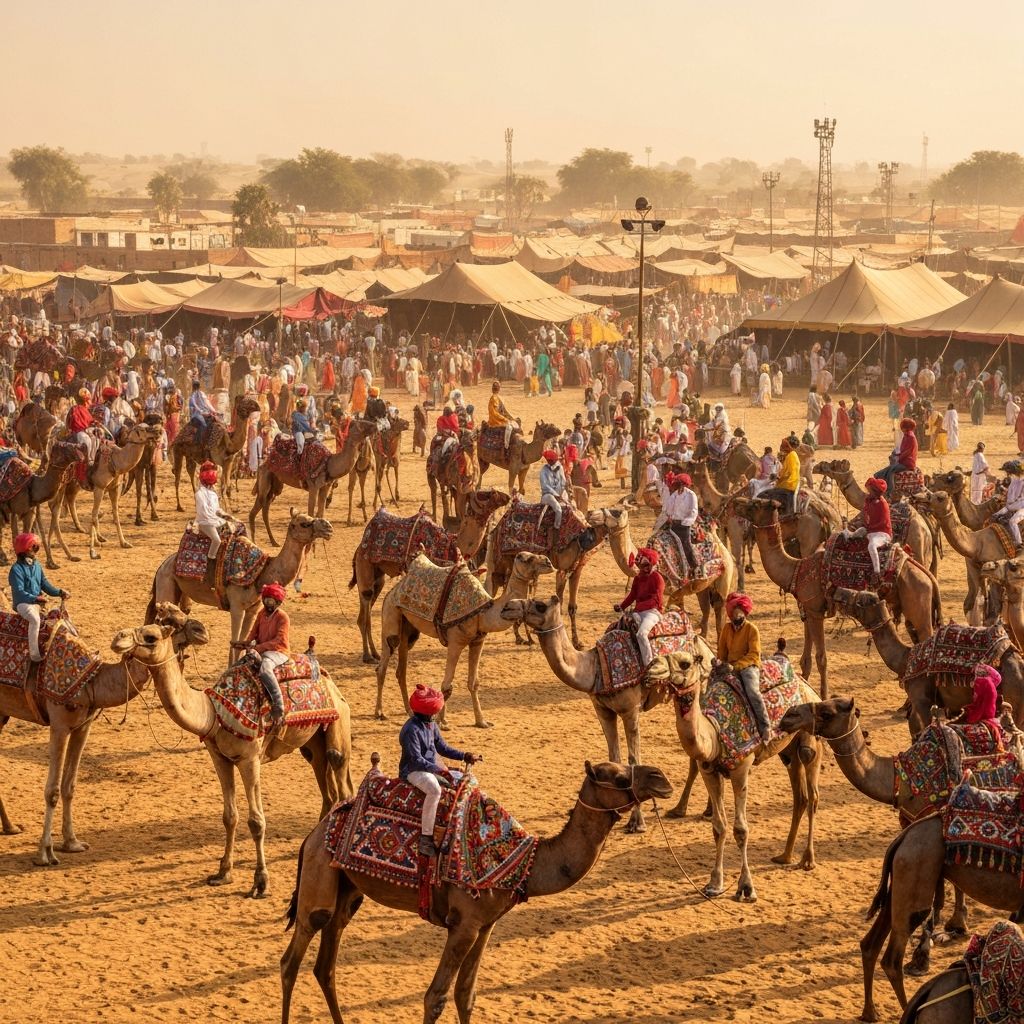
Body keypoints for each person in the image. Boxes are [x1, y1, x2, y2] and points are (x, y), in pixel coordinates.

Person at [399, 684, 478, 857]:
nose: (434, 715)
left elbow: (442, 747)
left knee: (464, 780)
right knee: (434, 790)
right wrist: (439, 771)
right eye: (433, 712)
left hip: (430, 767)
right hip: (413, 771)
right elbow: (416, 760)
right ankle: (426, 838)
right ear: (426, 712)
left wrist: (464, 755)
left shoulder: (431, 725)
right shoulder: (411, 730)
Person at [717, 593, 771, 744]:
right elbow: (722, 652)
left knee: (752, 692)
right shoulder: (726, 629)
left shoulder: (752, 629)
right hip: (729, 666)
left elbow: (754, 653)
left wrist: (736, 666)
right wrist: (719, 663)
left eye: (740, 610)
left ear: (745, 611)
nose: (737, 614)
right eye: (734, 611)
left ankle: (765, 727)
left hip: (749, 666)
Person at [10, 532, 68, 663]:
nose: (36, 551)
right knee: (35, 620)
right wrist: (35, 598)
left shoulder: (37, 566)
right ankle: (35, 656)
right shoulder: (16, 570)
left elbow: (45, 585)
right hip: (23, 603)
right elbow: (19, 592)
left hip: (37, 602)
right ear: (25, 549)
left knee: (58, 618)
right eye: (34, 547)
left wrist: (59, 592)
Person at [242, 582, 291, 727]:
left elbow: (279, 640)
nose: (268, 603)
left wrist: (258, 648)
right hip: (261, 650)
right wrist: (246, 643)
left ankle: (278, 704)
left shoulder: (283, 617)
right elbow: (253, 632)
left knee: (264, 670)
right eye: (266, 599)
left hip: (278, 652)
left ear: (278, 602)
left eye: (271, 600)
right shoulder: (261, 614)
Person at [615, 547, 664, 666]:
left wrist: (640, 607)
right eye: (642, 566)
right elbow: (633, 595)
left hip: (652, 612)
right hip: (639, 612)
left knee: (641, 634)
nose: (644, 568)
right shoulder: (638, 578)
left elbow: (657, 599)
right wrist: (621, 606)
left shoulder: (657, 578)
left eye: (647, 565)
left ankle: (649, 664)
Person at [858, 477, 893, 579]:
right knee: (855, 534)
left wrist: (869, 527)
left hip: (882, 533)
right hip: (871, 531)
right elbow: (865, 514)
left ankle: (877, 572)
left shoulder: (883, 504)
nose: (868, 493)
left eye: (870, 490)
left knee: (871, 546)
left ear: (875, 491)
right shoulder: (869, 501)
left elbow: (883, 523)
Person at [194, 461, 229, 562]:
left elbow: (217, 509)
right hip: (205, 522)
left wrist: (226, 516)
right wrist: (218, 519)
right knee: (217, 540)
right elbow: (203, 513)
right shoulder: (200, 494)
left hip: (214, 520)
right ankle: (211, 559)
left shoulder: (212, 494)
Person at [663, 471, 698, 569]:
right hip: (673, 524)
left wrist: (685, 522)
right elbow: (668, 509)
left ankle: (694, 567)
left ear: (682, 484)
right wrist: (669, 516)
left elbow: (694, 512)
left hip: (684, 525)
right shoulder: (674, 495)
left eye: (678, 482)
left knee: (686, 545)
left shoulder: (691, 495)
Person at [874, 417, 918, 491]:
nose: (901, 429)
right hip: (904, 461)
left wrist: (898, 458)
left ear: (906, 427)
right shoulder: (907, 436)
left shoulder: (910, 437)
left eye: (903, 427)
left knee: (891, 471)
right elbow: (903, 450)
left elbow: (907, 452)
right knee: (887, 470)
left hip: (907, 463)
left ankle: (890, 491)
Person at [538, 448, 569, 544]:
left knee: (570, 505)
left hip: (559, 493)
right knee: (558, 509)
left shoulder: (559, 467)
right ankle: (556, 528)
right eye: (553, 461)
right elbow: (545, 486)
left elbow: (563, 482)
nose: (555, 462)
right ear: (549, 461)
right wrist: (556, 495)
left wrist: (560, 493)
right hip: (547, 495)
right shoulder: (543, 470)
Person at [996, 460, 1024, 546]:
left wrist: (1008, 507)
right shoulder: (1014, 481)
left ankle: (1018, 542)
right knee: (996, 516)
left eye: (1008, 472)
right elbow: (1010, 497)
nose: (1007, 474)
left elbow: (1020, 501)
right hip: (1012, 506)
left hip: (1021, 507)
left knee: (1012, 521)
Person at [487, 380, 520, 450]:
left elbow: (504, 411)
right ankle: (506, 446)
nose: (496, 388)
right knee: (509, 427)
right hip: (495, 421)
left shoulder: (498, 398)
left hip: (500, 419)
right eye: (496, 387)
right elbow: (494, 413)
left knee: (516, 423)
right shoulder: (493, 399)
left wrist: (512, 418)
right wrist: (505, 419)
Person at [775, 438, 801, 515]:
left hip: (790, 483)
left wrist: (780, 480)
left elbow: (790, 473)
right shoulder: (791, 455)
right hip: (789, 481)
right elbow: (784, 471)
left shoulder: (791, 456)